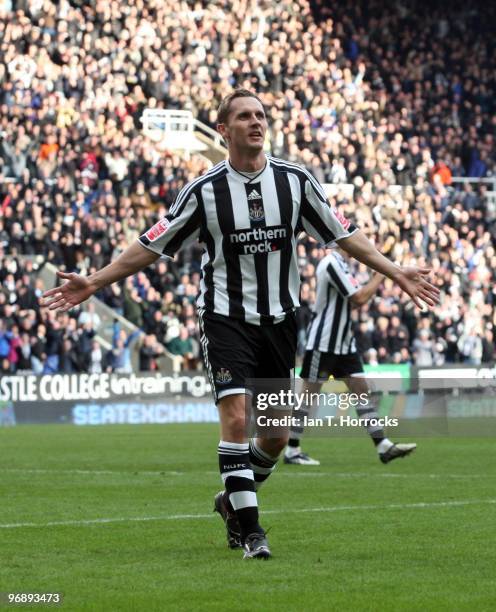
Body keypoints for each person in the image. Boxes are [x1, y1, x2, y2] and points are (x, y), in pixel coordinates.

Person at [42, 89, 439, 560]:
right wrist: (95, 281)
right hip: (225, 319)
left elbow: (344, 234)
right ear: (224, 129)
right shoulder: (205, 191)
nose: (256, 122)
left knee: (272, 435)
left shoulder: (295, 182)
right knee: (235, 419)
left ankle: (230, 499)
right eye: (245, 116)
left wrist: (395, 270)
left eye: (261, 115)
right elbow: (151, 245)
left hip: (280, 321)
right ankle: (251, 533)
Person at [284, 250, 416, 466]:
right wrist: (381, 273)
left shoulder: (343, 265)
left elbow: (354, 299)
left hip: (344, 343)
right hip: (324, 343)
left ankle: (383, 446)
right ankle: (292, 449)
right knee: (308, 396)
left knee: (361, 391)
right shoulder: (330, 263)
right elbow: (359, 298)